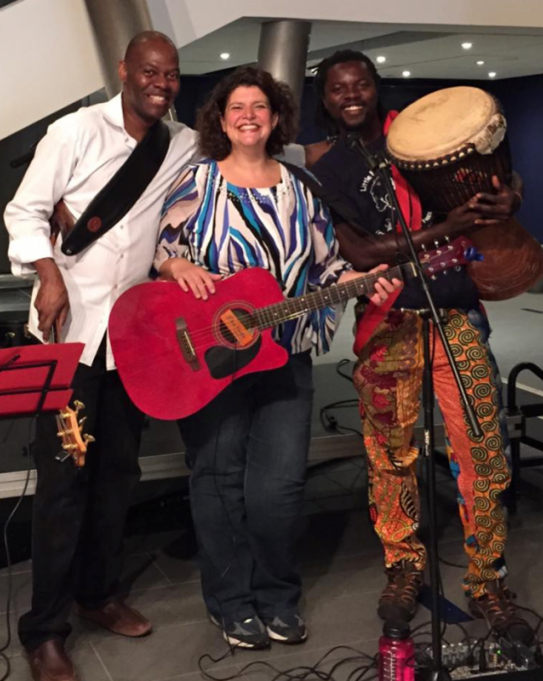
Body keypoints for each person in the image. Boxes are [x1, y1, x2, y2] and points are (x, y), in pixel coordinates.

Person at [153, 66, 401, 650]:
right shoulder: (196, 184)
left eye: (259, 106)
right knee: (217, 480)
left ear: (275, 117)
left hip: (284, 354)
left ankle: (277, 596)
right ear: (220, 118)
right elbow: (162, 255)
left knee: (279, 486)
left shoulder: (299, 187)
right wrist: (175, 265)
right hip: (211, 358)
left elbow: (324, 269)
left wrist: (362, 280)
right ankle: (231, 602)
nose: (248, 115)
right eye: (236, 106)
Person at [309, 50, 534, 644]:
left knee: (482, 448)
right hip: (386, 325)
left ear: (375, 87)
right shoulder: (329, 169)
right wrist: (447, 226)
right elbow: (359, 255)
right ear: (325, 99)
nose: (351, 94)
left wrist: (509, 197)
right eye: (338, 88)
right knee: (389, 455)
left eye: (360, 83)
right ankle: (403, 568)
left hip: (456, 313)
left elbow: (498, 178)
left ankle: (489, 580)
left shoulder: (417, 131)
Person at [4, 31, 197, 681]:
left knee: (118, 474)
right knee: (64, 484)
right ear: (124, 71)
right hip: (69, 335)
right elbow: (24, 211)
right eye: (149, 71)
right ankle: (45, 629)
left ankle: (99, 593)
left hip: (133, 343)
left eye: (170, 74)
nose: (161, 83)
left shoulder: (184, 143)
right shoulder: (75, 132)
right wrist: (46, 271)